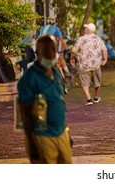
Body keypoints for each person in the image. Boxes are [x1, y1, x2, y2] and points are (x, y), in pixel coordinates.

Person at [17, 35, 72, 163]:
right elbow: (24, 113)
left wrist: (67, 131)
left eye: (53, 50)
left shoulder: (56, 72)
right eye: (47, 50)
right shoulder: (29, 78)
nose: (51, 54)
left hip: (61, 131)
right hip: (42, 135)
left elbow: (60, 103)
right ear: (38, 53)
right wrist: (31, 143)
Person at [70, 23, 107, 105]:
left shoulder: (81, 39)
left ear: (88, 30)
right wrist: (105, 59)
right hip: (96, 64)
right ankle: (96, 97)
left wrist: (71, 58)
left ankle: (89, 99)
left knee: (84, 81)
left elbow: (74, 51)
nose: (84, 29)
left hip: (84, 64)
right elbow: (104, 50)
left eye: (86, 28)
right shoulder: (98, 39)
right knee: (97, 81)